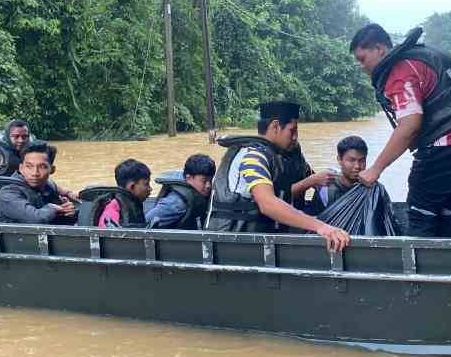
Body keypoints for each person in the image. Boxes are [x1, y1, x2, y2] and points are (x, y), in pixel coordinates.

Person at [350, 23, 451, 238]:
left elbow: (409, 126)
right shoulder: (420, 56)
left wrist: (375, 169)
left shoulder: (399, 71)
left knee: (420, 213)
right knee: (443, 213)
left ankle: (422, 269)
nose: (361, 66)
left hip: (447, 143)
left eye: (362, 58)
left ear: (379, 49)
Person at [206, 101, 351, 252]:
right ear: (275, 126)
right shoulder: (252, 157)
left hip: (260, 241)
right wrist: (321, 227)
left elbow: (313, 177)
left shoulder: (281, 157)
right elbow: (267, 203)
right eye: (292, 130)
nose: (295, 137)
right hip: (231, 245)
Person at [0, 141, 78, 224]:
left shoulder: (49, 186)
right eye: (29, 166)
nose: (35, 173)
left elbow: (60, 213)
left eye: (42, 167)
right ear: (21, 168)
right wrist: (53, 208)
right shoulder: (8, 193)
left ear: (52, 170)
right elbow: (36, 218)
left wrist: (68, 211)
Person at [145, 154, 216, 229]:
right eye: (204, 181)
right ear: (189, 178)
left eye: (210, 180)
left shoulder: (198, 194)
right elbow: (146, 224)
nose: (209, 185)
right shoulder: (176, 203)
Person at [82, 159, 152, 227]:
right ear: (132, 186)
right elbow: (108, 232)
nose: (150, 189)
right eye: (146, 184)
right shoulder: (113, 206)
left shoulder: (133, 203)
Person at [310, 135, 372, 211]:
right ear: (339, 159)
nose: (357, 166)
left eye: (362, 160)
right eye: (351, 160)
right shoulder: (326, 189)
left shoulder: (371, 188)